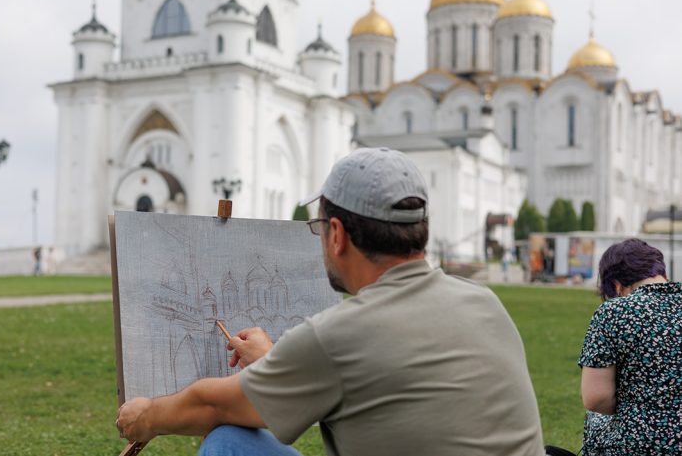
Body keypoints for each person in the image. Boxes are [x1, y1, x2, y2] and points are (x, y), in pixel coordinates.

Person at [116, 147, 545, 456]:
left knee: (227, 443)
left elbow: (214, 403)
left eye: (319, 226)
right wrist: (276, 360)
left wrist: (148, 415)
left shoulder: (337, 335)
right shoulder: (484, 302)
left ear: (337, 234)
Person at [578, 238, 682, 455]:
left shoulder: (615, 311)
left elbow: (596, 398)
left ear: (616, 285)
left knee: (596, 418)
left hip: (640, 445)